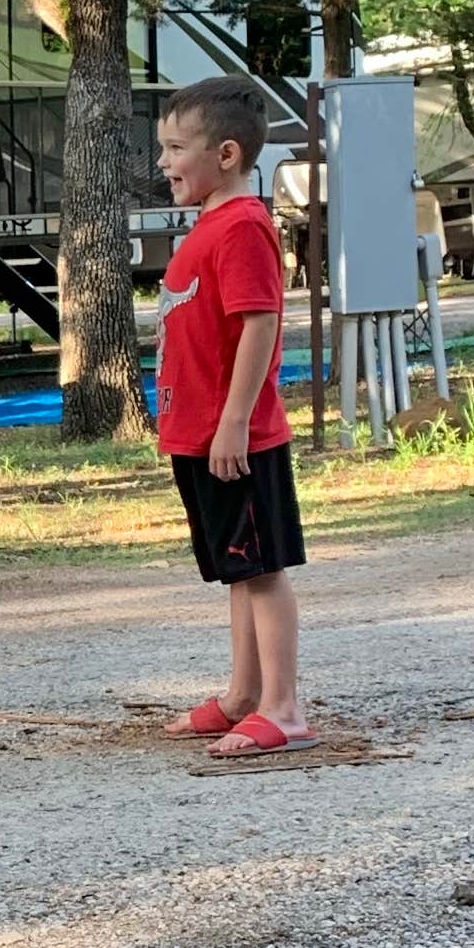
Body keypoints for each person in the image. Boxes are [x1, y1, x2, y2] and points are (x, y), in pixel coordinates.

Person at [151, 78, 307, 754]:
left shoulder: (242, 227)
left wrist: (236, 419)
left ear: (227, 154)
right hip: (202, 436)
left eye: (176, 147)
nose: (163, 162)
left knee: (261, 570)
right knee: (237, 569)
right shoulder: (211, 227)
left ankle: (284, 707)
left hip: (233, 436)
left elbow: (259, 323)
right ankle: (244, 695)